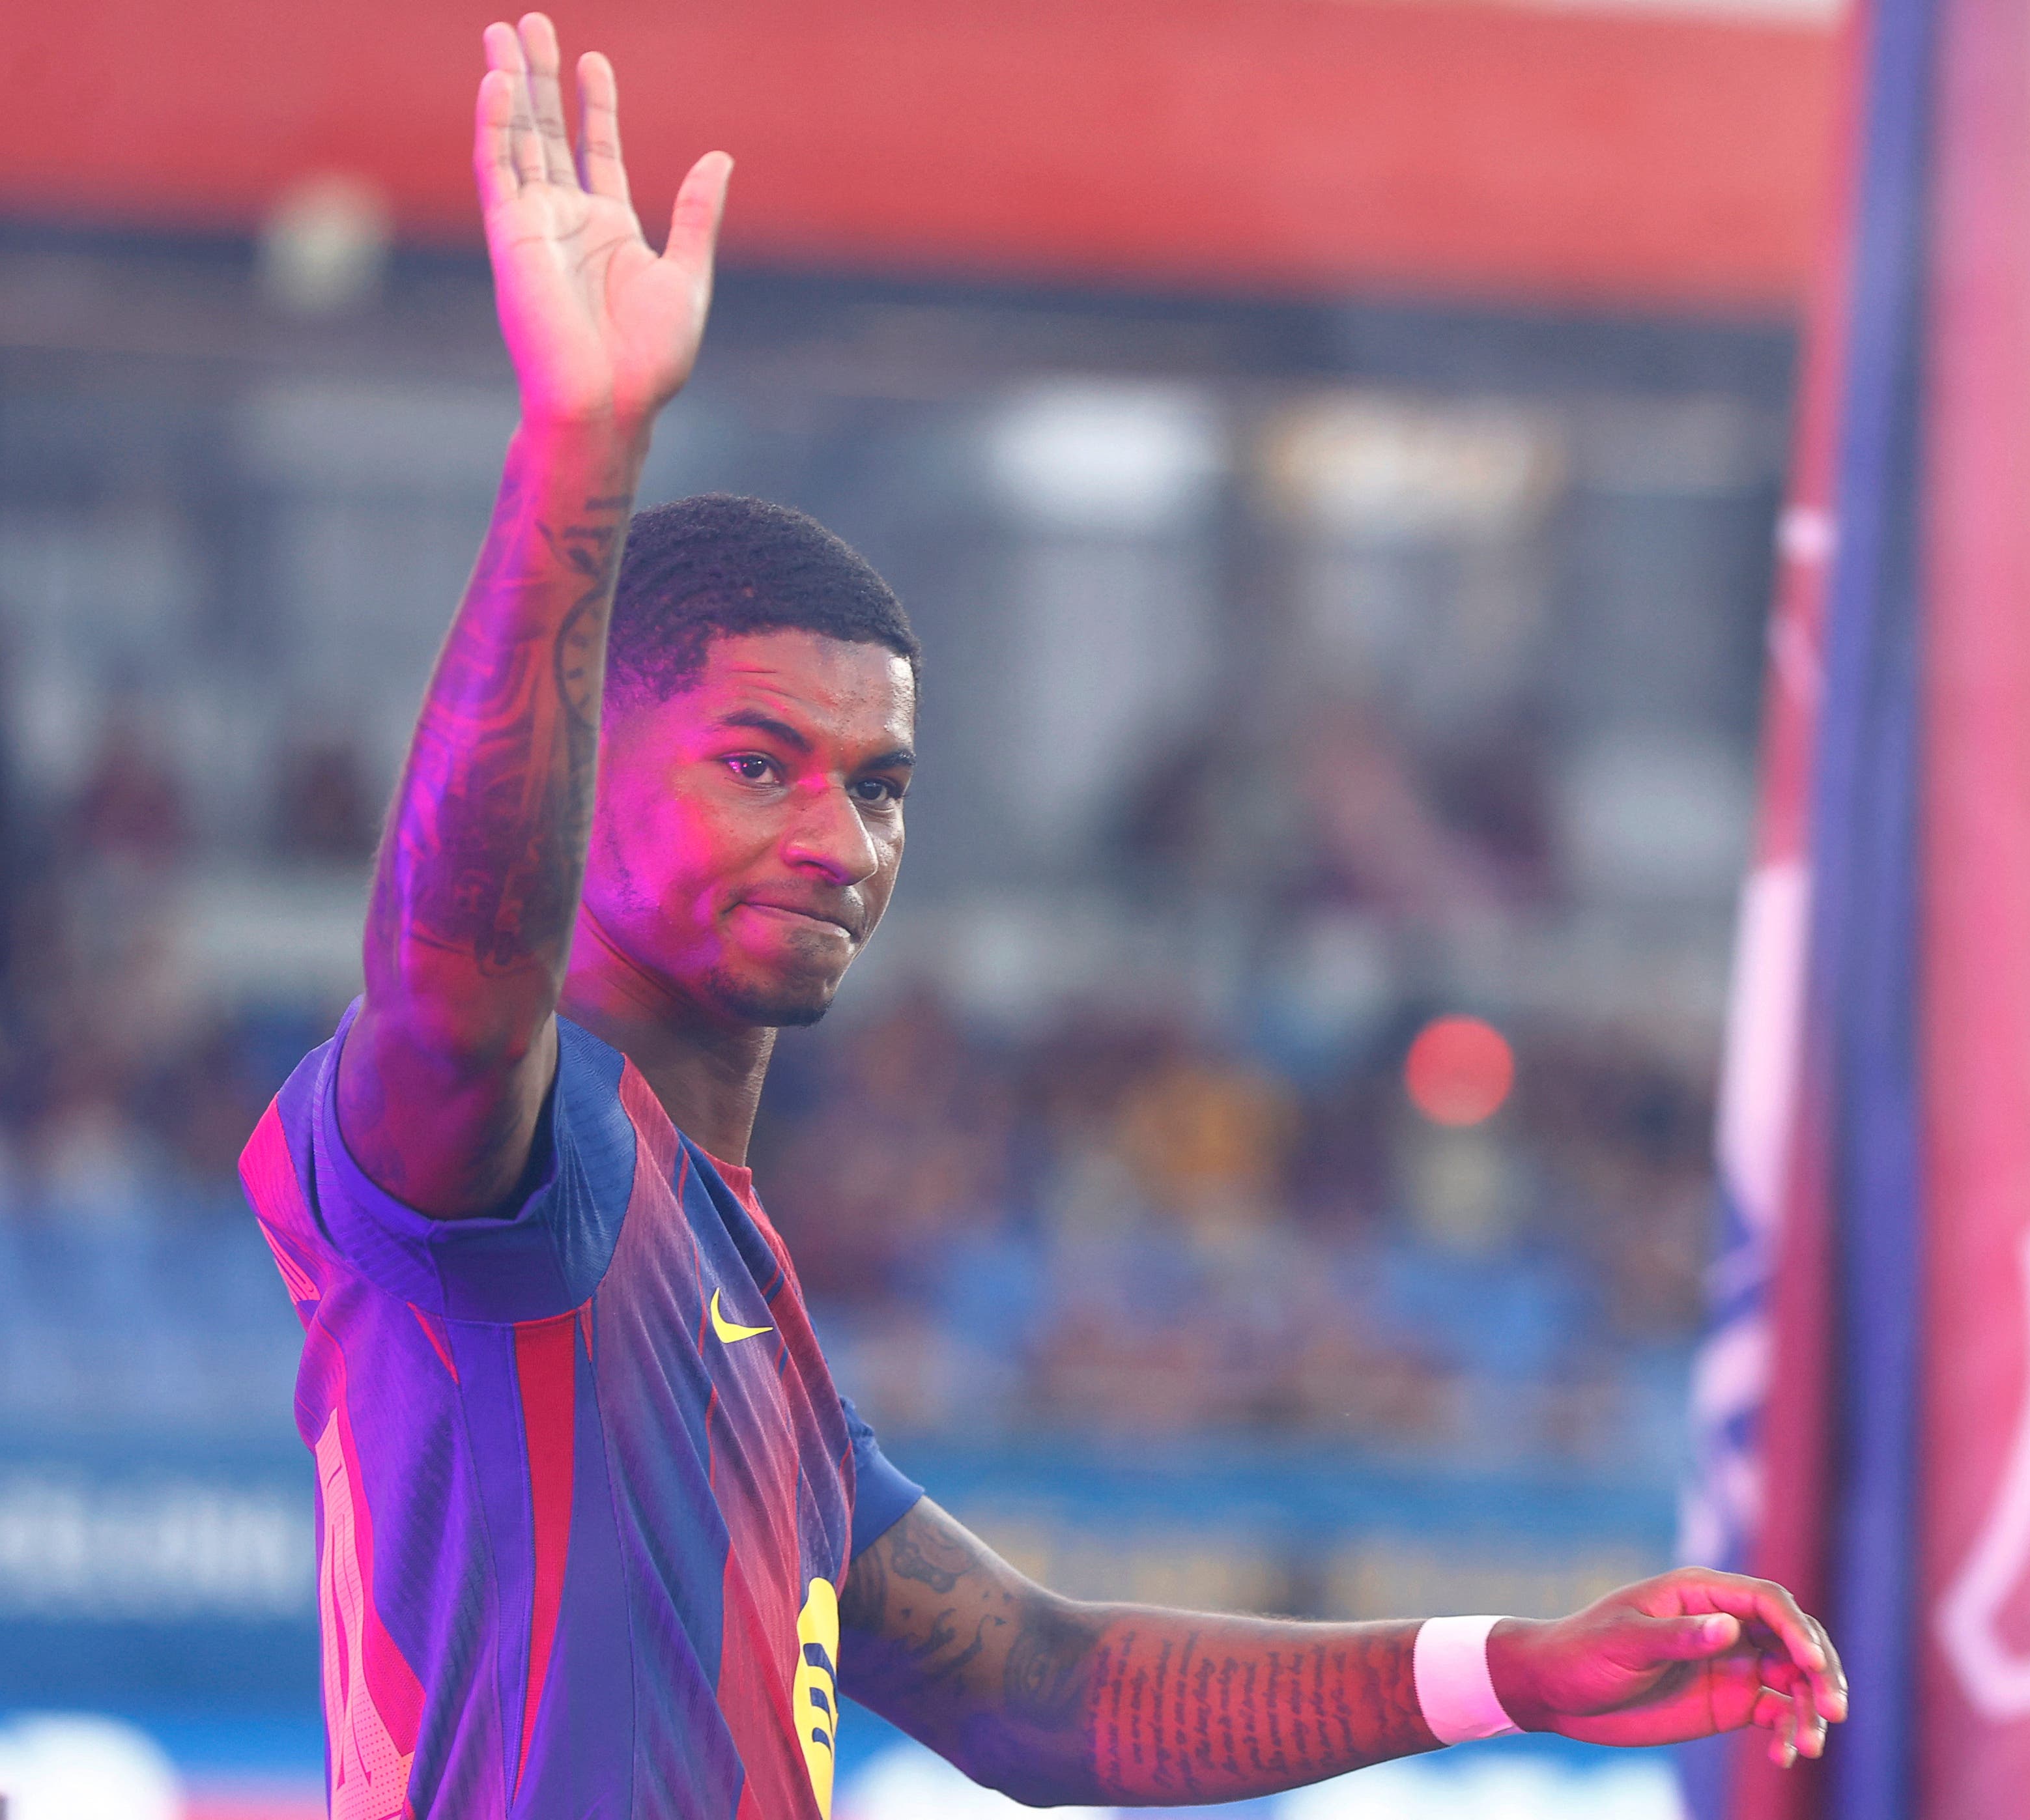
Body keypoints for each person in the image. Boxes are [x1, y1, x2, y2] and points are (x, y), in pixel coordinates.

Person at [237, 15, 1850, 1816]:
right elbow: (457, 975)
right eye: (760, 765)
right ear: (589, 763)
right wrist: (577, 453)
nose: (838, 838)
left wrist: (1511, 1670)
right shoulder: (499, 1175)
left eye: (881, 784)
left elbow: (1036, 1686)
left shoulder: (724, 1258)